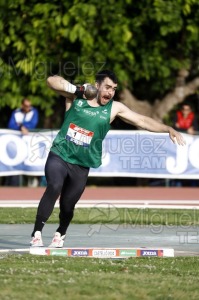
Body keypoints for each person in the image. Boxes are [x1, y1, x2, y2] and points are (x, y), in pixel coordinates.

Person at [30, 70, 185, 247]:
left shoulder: (114, 108)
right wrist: (78, 89)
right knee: (54, 185)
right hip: (60, 154)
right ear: (97, 86)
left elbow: (141, 121)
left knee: (67, 205)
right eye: (107, 87)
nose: (110, 92)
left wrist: (167, 129)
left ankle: (61, 232)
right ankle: (36, 233)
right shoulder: (77, 97)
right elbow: (51, 81)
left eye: (114, 89)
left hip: (82, 164)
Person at [6, 98, 39, 186]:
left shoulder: (34, 112)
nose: (28, 108)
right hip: (16, 144)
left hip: (30, 142)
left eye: (29, 106)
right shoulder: (16, 112)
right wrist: (21, 127)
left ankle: (33, 182)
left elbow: (33, 124)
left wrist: (21, 126)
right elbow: (11, 125)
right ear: (22, 106)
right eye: (26, 106)